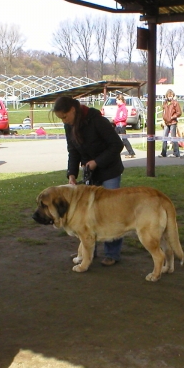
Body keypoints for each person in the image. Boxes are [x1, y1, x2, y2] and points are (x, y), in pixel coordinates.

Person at [52, 96, 125, 266]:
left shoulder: (97, 120)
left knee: (110, 212)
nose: (64, 121)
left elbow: (116, 145)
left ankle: (112, 253)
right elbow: (73, 151)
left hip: (109, 171)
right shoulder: (69, 126)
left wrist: (97, 162)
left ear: (72, 110)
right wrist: (71, 173)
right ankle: (89, 251)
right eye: (61, 119)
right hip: (90, 174)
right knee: (88, 215)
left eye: (64, 117)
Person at [159, 89, 181, 158]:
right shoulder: (165, 103)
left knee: (173, 138)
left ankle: (176, 153)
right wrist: (163, 118)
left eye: (171, 96)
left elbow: (179, 112)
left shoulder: (175, 103)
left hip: (173, 122)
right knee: (164, 137)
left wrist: (173, 117)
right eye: (169, 96)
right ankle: (163, 153)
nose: (170, 97)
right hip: (166, 122)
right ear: (167, 96)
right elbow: (163, 111)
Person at [113, 94, 136, 158]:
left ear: (120, 100)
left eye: (117, 100)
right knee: (114, 138)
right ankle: (114, 152)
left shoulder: (123, 108)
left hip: (121, 126)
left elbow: (124, 117)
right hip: (117, 125)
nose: (116, 102)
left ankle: (131, 153)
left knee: (124, 139)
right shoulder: (119, 108)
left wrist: (115, 119)